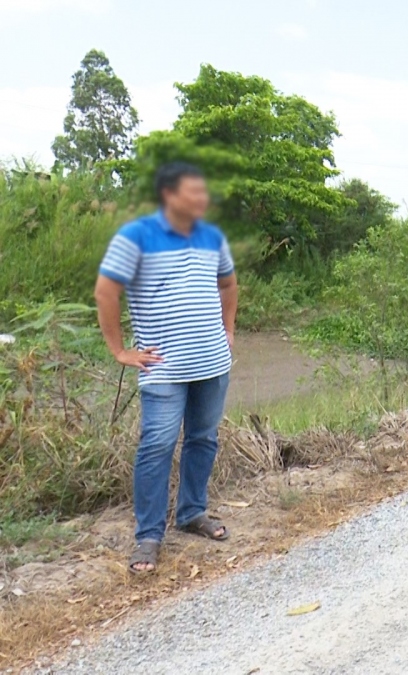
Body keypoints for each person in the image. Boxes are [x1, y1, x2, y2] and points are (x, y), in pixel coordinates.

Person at [95, 162, 239, 573]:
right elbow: (106, 292)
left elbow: (228, 284)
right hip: (163, 367)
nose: (201, 199)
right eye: (193, 192)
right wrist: (120, 350)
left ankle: (192, 512)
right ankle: (148, 536)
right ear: (169, 195)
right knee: (156, 446)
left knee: (203, 438)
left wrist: (228, 329)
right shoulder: (135, 237)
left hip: (213, 362)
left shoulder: (212, 237)